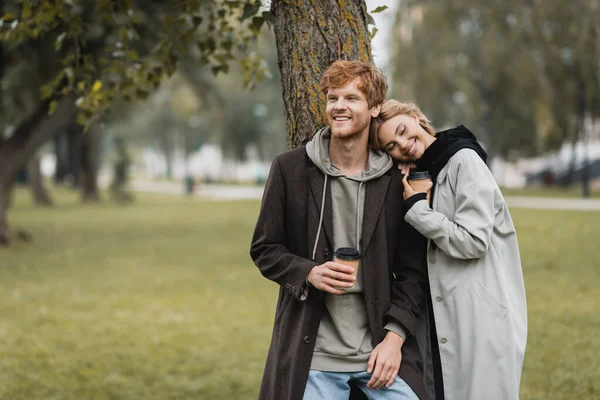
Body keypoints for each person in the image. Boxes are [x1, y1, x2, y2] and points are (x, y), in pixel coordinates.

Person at [250, 61, 430, 400]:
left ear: (375, 107)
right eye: (333, 98)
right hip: (313, 354)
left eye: (352, 98)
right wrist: (309, 273)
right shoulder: (289, 169)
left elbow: (413, 271)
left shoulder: (396, 180)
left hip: (379, 350)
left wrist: (394, 340)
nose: (339, 107)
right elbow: (264, 248)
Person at [369, 100, 528, 400]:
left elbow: (474, 240)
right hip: (446, 322)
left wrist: (417, 210)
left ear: (416, 118)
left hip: (482, 319)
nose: (403, 144)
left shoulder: (463, 160)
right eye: (391, 145)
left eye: (403, 130)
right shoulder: (422, 173)